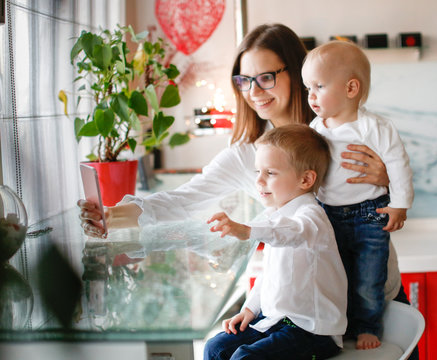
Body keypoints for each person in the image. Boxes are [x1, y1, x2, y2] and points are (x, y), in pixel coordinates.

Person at [78, 23, 417, 359]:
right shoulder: (249, 155)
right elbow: (184, 199)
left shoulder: (344, 130)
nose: (254, 90)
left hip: (372, 304)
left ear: (298, 73)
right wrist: (110, 215)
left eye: (266, 77)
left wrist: (384, 177)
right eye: (244, 80)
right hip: (302, 318)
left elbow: (396, 190)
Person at [302, 40, 414, 350]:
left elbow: (398, 165)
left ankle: (367, 327)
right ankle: (341, 326)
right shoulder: (315, 128)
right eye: (307, 87)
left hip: (370, 214)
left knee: (367, 278)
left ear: (351, 88)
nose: (310, 95)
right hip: (328, 214)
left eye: (318, 86)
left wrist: (400, 205)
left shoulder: (375, 127)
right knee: (336, 276)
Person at [204, 124, 346, 360]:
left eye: (270, 173)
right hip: (275, 320)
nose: (259, 181)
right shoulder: (276, 218)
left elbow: (294, 232)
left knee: (245, 358)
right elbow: (269, 275)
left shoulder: (311, 217)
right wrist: (250, 308)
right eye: (257, 172)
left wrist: (247, 230)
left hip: (312, 331)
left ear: (306, 179)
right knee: (215, 348)